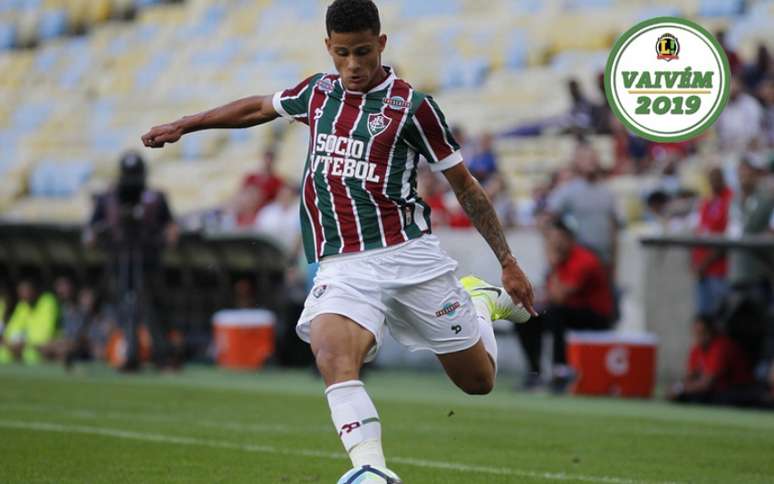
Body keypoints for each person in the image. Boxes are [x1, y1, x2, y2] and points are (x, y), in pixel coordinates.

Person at [141, 0, 536, 472]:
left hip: (410, 257)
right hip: (344, 264)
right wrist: (186, 125)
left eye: (364, 52)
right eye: (343, 53)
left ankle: (477, 301)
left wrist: (508, 260)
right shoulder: (317, 94)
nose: (353, 65)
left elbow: (465, 187)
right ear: (328, 47)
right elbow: (256, 108)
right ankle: (370, 469)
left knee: (478, 382)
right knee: (331, 352)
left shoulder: (414, 108)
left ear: (382, 44)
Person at [85, 151, 179, 371]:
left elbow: (171, 225)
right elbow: (91, 229)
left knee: (153, 306)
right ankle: (132, 352)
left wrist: (167, 238)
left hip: (148, 258)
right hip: (119, 258)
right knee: (126, 306)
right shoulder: (108, 198)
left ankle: (161, 354)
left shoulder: (155, 197)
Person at [516, 219, 614, 392]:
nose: (553, 243)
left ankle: (560, 371)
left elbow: (559, 297)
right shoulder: (561, 259)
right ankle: (534, 373)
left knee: (555, 313)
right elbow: (549, 293)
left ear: (568, 238)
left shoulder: (584, 260)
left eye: (557, 238)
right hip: (568, 311)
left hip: (595, 315)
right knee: (525, 316)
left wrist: (553, 265)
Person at [546, 141, 620, 271]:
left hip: (604, 258)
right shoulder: (568, 191)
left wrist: (614, 262)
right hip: (579, 260)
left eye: (592, 157)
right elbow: (548, 220)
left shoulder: (607, 192)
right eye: (585, 158)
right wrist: (553, 253)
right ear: (576, 162)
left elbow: (613, 227)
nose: (590, 161)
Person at [669, 314, 755, 406]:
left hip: (738, 391)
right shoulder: (697, 349)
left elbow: (707, 383)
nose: (699, 337)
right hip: (717, 391)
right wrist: (676, 387)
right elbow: (690, 376)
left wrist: (681, 389)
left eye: (702, 333)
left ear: (711, 331)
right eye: (696, 333)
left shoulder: (721, 346)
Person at [691, 168, 733, 315]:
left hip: (718, 269)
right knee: (703, 317)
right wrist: (697, 264)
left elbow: (727, 236)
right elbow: (700, 230)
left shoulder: (730, 198)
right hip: (702, 270)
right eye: (711, 178)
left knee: (719, 315)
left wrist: (705, 262)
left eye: (717, 178)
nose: (713, 182)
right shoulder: (708, 201)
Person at [0, 278, 59, 364]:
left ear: (34, 290)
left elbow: (45, 334)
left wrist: (25, 343)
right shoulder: (22, 306)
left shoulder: (48, 301)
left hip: (39, 348)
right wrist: (11, 342)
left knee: (32, 353)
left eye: (26, 290)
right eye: (21, 291)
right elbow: (14, 330)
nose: (23, 294)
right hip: (22, 348)